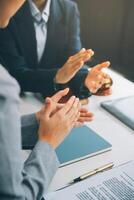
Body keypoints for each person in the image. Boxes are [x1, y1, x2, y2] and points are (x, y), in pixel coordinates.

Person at [0, 0, 93, 199]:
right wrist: (48, 143)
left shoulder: (68, 8)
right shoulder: (4, 88)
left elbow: (74, 57)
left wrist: (35, 123)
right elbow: (17, 197)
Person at [0, 0, 111, 99]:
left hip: (47, 99)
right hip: (14, 96)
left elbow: (72, 62)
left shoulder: (69, 8)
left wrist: (85, 77)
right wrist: (57, 76)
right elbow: (15, 73)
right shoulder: (7, 9)